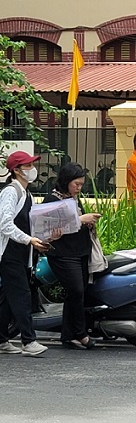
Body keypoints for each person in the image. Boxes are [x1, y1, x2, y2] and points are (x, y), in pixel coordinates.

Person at [43, 162, 101, 350]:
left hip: (80, 250)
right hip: (62, 253)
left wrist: (88, 222)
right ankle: (81, 334)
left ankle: (69, 335)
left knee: (77, 294)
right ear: (66, 181)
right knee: (76, 291)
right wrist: (80, 220)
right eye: (76, 184)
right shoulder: (52, 200)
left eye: (81, 184)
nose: (79, 188)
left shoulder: (74, 198)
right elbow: (47, 227)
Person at [0, 151, 51, 356]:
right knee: (21, 295)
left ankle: (1, 339)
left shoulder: (26, 193)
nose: (32, 169)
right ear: (16, 170)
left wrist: (41, 238)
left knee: (7, 298)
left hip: (21, 253)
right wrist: (29, 239)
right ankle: (29, 341)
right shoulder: (11, 192)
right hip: (9, 254)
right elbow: (5, 224)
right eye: (28, 166)